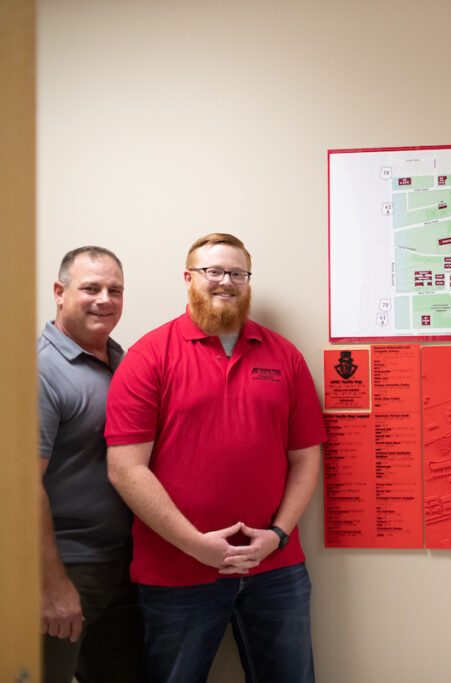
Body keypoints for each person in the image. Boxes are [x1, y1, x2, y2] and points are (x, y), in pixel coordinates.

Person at [105, 233, 326, 683]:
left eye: (238, 273)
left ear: (248, 282)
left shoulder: (285, 356)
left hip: (275, 570)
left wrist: (278, 534)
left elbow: (306, 459)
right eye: (214, 271)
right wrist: (196, 545)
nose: (226, 281)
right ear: (188, 279)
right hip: (175, 571)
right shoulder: (149, 356)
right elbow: (125, 468)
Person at [38, 246, 144, 683]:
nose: (105, 299)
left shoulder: (121, 361)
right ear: (60, 293)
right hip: (67, 567)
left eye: (114, 290)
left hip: (121, 564)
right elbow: (23, 487)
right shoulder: (41, 371)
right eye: (91, 288)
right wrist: (52, 585)